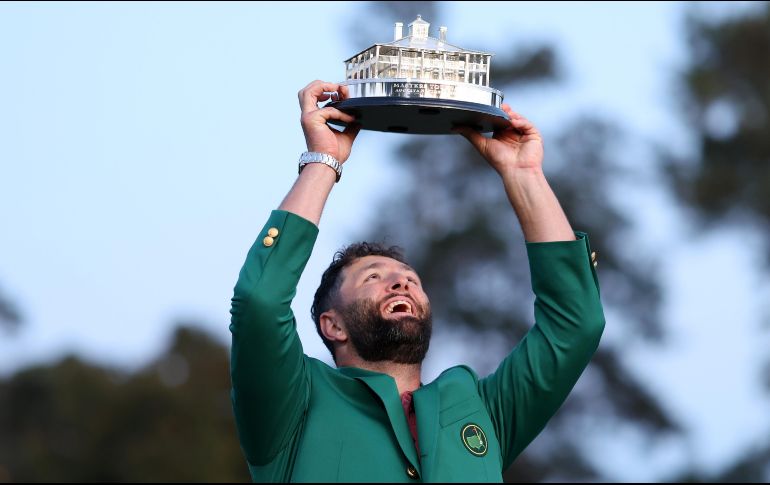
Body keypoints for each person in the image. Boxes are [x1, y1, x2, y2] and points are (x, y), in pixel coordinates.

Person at [229, 80, 605, 482]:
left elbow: (575, 324)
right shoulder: (294, 404)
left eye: (410, 279)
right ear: (332, 325)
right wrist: (324, 160)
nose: (401, 283)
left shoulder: (481, 408)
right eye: (374, 277)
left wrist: (523, 174)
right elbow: (260, 302)